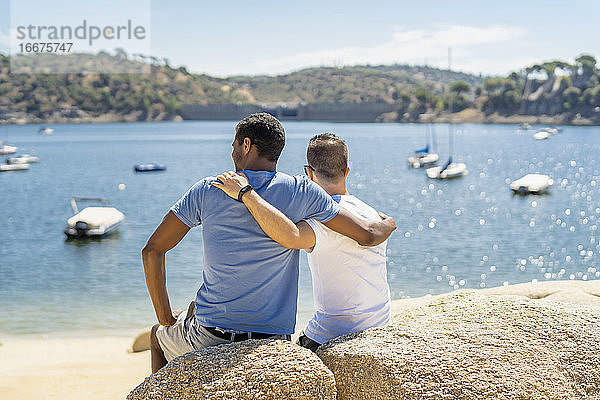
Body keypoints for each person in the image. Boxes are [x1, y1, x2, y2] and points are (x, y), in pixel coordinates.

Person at [142, 113, 396, 373]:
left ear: (247, 145)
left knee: (156, 335)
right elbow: (366, 235)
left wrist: (165, 317)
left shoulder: (209, 189)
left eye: (234, 146)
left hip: (210, 336)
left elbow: (153, 250)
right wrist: (388, 223)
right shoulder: (303, 190)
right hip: (274, 340)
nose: (233, 153)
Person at [213, 133, 392, 352]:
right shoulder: (372, 214)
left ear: (308, 173)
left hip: (333, 333)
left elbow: (290, 237)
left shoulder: (319, 221)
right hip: (380, 324)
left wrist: (246, 194)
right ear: (347, 171)